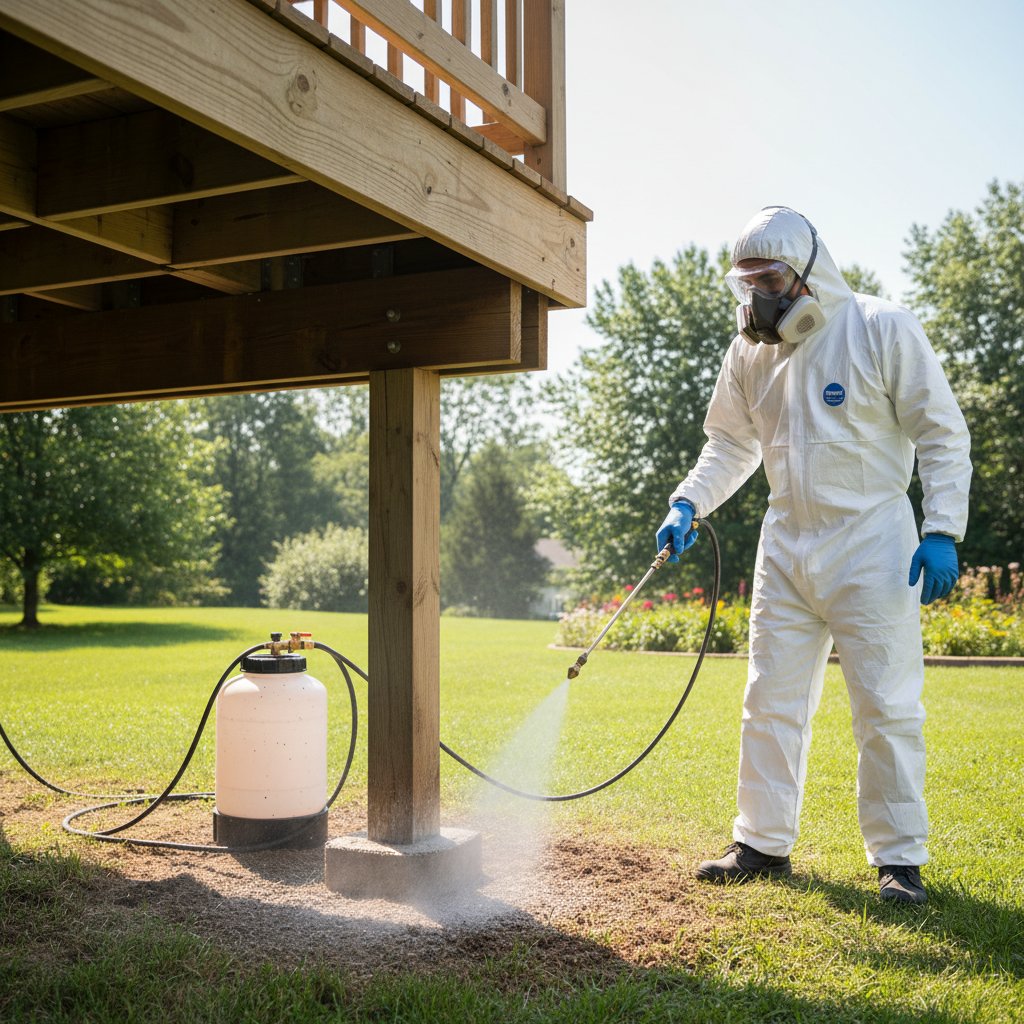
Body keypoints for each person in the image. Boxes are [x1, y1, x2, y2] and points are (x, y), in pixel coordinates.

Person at [657, 205, 971, 905]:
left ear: (808, 273)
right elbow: (730, 444)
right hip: (787, 545)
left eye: (769, 280)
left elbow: (941, 431)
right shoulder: (749, 353)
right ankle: (761, 843)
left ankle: (898, 860)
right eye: (747, 284)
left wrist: (942, 528)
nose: (759, 297)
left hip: (875, 546)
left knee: (886, 706)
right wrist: (688, 501)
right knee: (768, 700)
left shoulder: (880, 327)